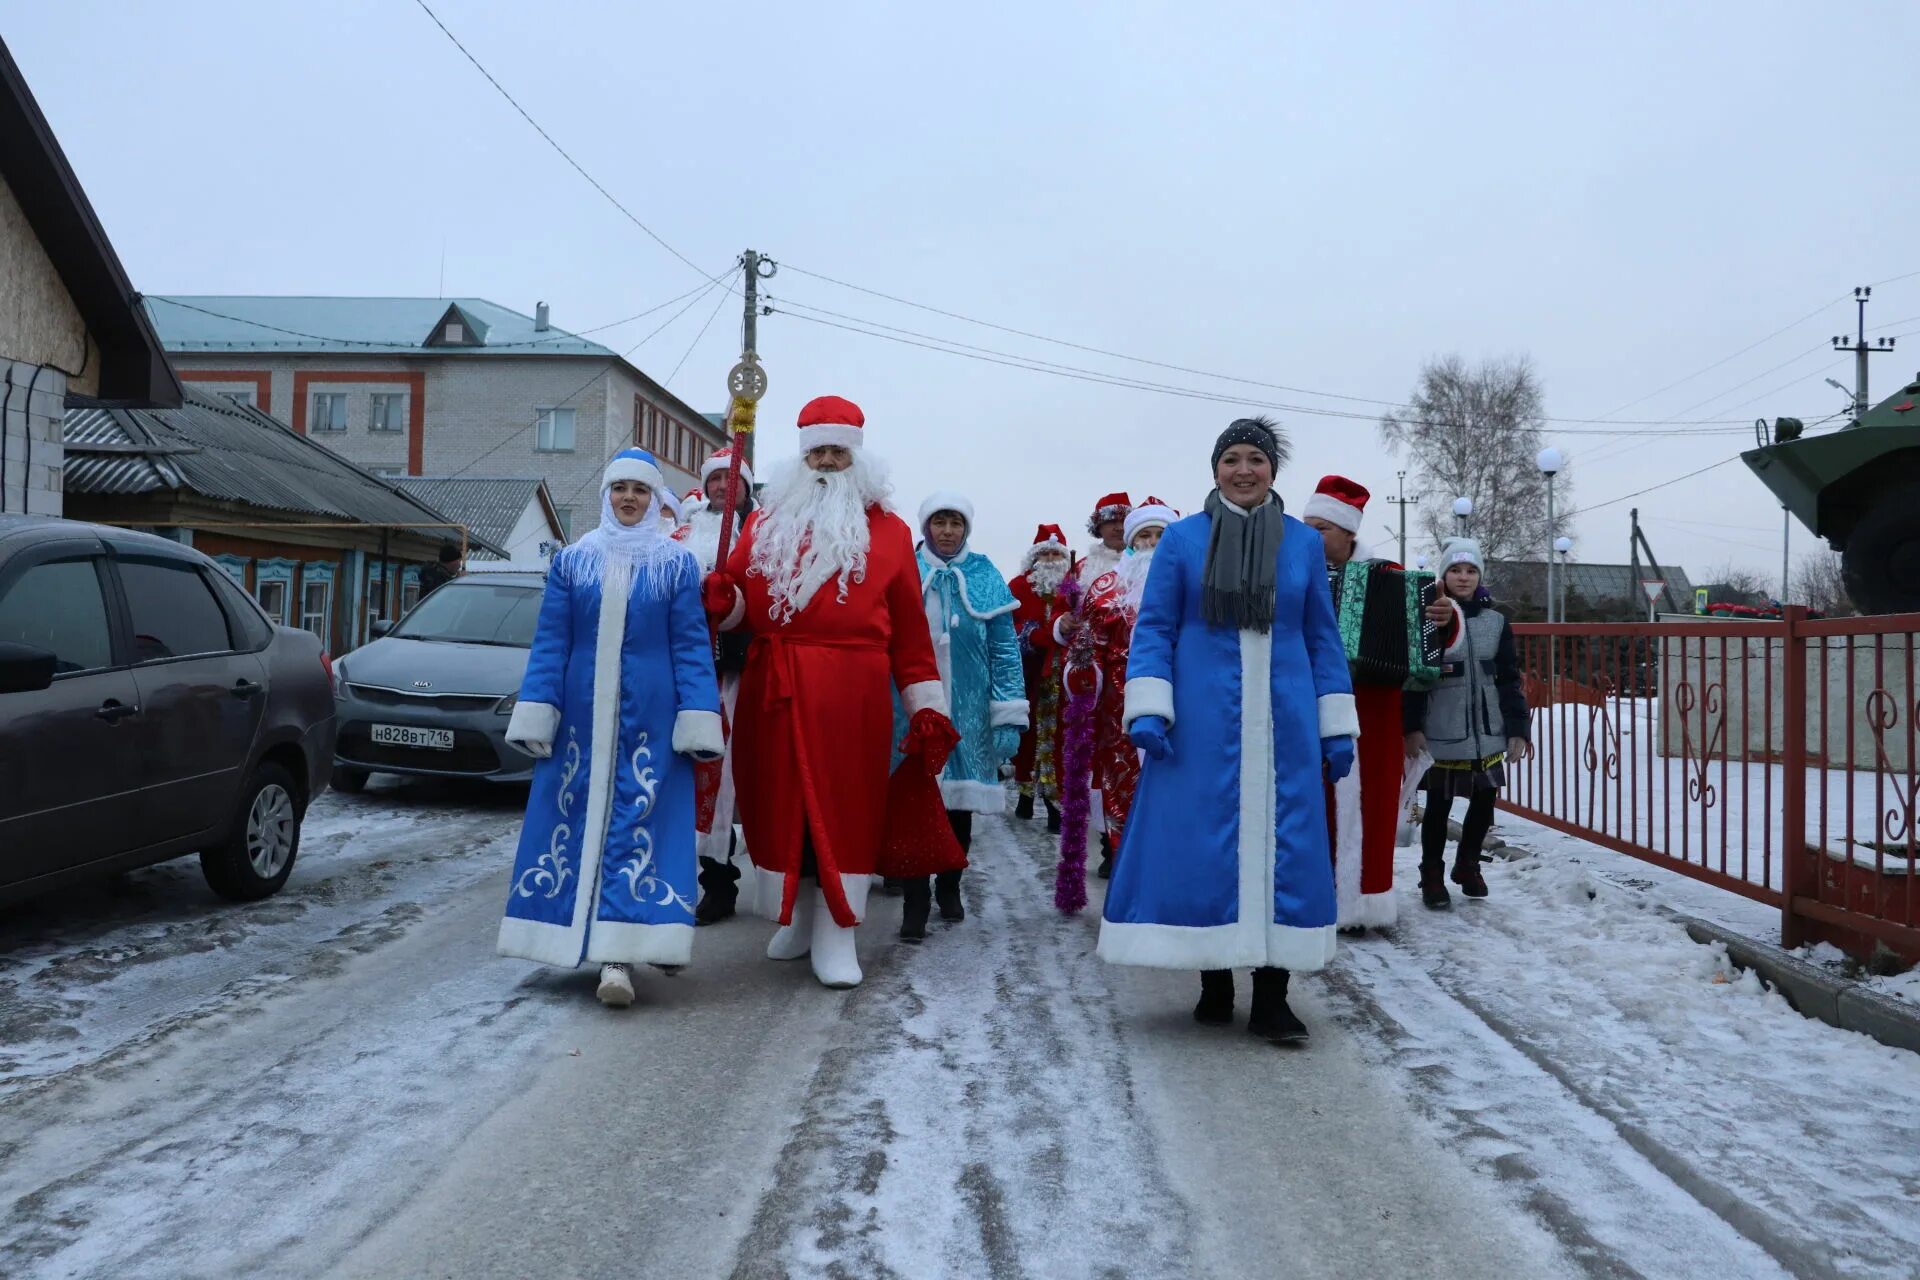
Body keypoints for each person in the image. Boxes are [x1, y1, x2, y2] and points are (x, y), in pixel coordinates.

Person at [1099, 417, 1357, 1045]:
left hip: (1285, 719)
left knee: (1285, 845)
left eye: (1256, 460)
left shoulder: (1300, 544)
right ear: (1215, 470)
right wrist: (1151, 706)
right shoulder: (1183, 542)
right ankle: (1212, 977)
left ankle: (1274, 996)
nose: (1244, 470)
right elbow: (1155, 628)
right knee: (1202, 842)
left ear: (1273, 471)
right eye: (1232, 459)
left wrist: (1335, 722)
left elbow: (1322, 636)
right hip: (1203, 719)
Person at [703, 395, 956, 989]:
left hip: (852, 692)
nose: (825, 461)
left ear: (856, 457)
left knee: (842, 809)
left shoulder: (891, 533)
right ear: (800, 457)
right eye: (815, 450)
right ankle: (796, 913)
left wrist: (925, 705)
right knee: (778, 805)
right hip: (775, 685)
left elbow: (912, 633)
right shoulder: (765, 522)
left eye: (837, 451)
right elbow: (740, 603)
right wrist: (725, 602)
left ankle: (837, 929)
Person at [497, 449, 724, 1008]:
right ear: (605, 495)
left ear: (655, 500)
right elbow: (551, 642)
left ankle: (621, 955)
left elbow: (692, 647)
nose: (629, 498)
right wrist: (539, 708)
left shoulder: (675, 566)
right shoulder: (573, 562)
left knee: (639, 823)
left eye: (640, 491)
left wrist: (697, 715)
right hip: (579, 724)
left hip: (650, 723)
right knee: (572, 824)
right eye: (620, 488)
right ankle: (571, 939)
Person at [1302, 475, 1462, 931]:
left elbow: (1436, 639)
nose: (1311, 536)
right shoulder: (1292, 571)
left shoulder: (1390, 577)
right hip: (1308, 706)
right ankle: (1316, 898)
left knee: (1372, 804)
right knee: (1314, 804)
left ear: (1349, 533)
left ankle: (1368, 899)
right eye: (1307, 526)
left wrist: (1444, 618)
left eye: (1321, 528)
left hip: (1373, 710)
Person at [895, 491, 1027, 940]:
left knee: (958, 808)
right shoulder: (904, 571)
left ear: (965, 528)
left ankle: (949, 886)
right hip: (913, 708)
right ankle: (914, 900)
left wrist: (1007, 715)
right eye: (939, 522)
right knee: (915, 806)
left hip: (968, 712)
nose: (947, 531)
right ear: (925, 527)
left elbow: (1006, 652)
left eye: (955, 523)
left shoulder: (984, 573)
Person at [1403, 538, 1530, 909]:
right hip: (1443, 730)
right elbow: (1413, 678)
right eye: (1456, 570)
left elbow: (1508, 677)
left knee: (1484, 802)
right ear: (1444, 575)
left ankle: (1468, 865)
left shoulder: (1497, 622)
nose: (1464, 577)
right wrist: (1412, 727)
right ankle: (1431, 874)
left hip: (1487, 732)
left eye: (1471, 570)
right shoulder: (1429, 617)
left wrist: (1518, 728)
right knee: (1439, 809)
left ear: (1480, 576)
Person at [1060, 497, 1176, 880]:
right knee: (1123, 792)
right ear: (1132, 542)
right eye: (1145, 535)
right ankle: (1127, 875)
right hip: (1120, 711)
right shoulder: (1107, 588)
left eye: (1162, 535)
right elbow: (1087, 650)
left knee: (1176, 791)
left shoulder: (1195, 583)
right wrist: (1083, 677)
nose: (1154, 543)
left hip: (1183, 704)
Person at [673, 447, 756, 925]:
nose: (725, 486)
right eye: (717, 479)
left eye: (734, 478)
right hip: (696, 672)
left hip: (749, 669)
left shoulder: (765, 534)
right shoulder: (682, 536)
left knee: (746, 775)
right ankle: (716, 881)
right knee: (707, 776)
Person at [1009, 525, 1074, 831]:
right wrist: (1032, 635)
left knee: (1056, 740)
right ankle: (1024, 790)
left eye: (1056, 554)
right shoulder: (1019, 587)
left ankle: (1053, 803)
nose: (1050, 559)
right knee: (1028, 736)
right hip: (1028, 673)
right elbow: (1011, 624)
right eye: (1045, 554)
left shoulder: (1073, 589)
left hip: (1061, 676)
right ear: (1034, 559)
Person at [1081, 492, 1132, 583]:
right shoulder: (1081, 568)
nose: (1120, 528)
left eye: (1124, 522)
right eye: (1112, 521)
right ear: (1098, 527)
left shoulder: (1147, 563)